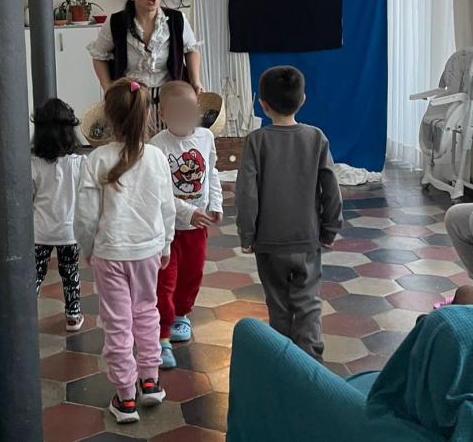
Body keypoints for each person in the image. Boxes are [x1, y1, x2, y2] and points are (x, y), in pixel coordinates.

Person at [74, 78, 176, 424]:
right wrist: (166, 243)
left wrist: (88, 247)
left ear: (107, 116)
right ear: (148, 116)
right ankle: (151, 380)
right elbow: (167, 208)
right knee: (147, 312)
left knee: (117, 322)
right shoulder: (157, 157)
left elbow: (85, 215)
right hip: (148, 251)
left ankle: (125, 396)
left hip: (110, 253)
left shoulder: (96, 160)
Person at [235, 66, 342, 362]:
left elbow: (246, 192)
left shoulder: (256, 140)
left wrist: (247, 234)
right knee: (308, 303)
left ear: (263, 104)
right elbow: (331, 187)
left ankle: (282, 363)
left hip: (269, 242)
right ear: (303, 99)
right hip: (307, 239)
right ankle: (310, 362)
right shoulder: (316, 138)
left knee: (278, 305)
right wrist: (330, 228)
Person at [149, 80, 224, 369]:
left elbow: (212, 171)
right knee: (164, 281)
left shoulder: (205, 137)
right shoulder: (157, 146)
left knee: (192, 274)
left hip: (197, 227)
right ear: (163, 114)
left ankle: (182, 314)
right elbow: (159, 192)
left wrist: (215, 203)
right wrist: (187, 211)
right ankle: (162, 335)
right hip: (167, 229)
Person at [87, 0, 203, 134]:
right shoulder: (116, 22)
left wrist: (195, 80)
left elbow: (191, 49)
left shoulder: (176, 19)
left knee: (171, 141)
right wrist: (108, 87)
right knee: (135, 142)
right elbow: (99, 56)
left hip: (170, 94)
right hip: (131, 97)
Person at [31, 98, 85, 332]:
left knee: (35, 274)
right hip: (69, 233)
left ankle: (26, 313)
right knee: (70, 273)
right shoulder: (80, 163)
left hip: (39, 233)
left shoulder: (33, 165)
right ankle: (73, 315)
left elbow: (29, 197)